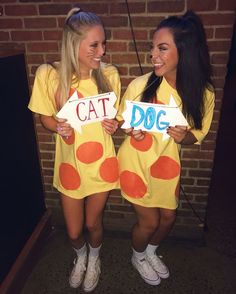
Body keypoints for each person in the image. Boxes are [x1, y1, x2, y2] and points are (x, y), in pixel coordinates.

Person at [117, 10, 215, 286]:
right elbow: (126, 120)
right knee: (148, 222)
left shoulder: (202, 92)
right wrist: (132, 131)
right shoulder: (141, 84)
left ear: (184, 51)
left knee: (169, 217)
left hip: (166, 165)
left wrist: (184, 137)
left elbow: (198, 134)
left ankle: (149, 251)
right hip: (135, 162)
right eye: (152, 48)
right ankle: (137, 256)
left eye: (162, 48)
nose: (153, 55)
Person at [28, 7, 120, 292]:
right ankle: (80, 257)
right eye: (95, 44)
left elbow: (114, 117)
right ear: (73, 44)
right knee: (73, 230)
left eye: (103, 43)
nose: (102, 51)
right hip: (70, 167)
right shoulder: (50, 74)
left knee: (93, 224)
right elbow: (44, 117)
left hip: (102, 163)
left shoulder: (109, 74)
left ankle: (94, 259)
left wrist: (113, 125)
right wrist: (57, 127)